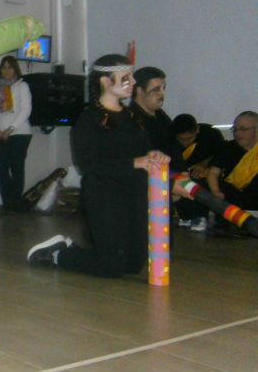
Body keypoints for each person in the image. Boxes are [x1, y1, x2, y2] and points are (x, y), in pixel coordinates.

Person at [27, 54, 189, 277]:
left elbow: (144, 150)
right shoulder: (89, 119)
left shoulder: (133, 116)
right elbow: (89, 164)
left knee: (133, 265)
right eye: (126, 77)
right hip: (105, 196)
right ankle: (58, 254)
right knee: (112, 267)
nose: (132, 82)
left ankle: (87, 251)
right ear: (105, 81)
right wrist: (135, 162)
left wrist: (154, 156)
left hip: (134, 194)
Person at [0, 55, 32, 213]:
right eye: (4, 67)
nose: (7, 70)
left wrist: (10, 129)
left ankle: (15, 204)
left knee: (17, 169)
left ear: (15, 69)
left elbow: (26, 110)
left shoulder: (22, 86)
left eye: (10, 67)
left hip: (20, 134)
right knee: (1, 170)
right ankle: (7, 204)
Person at [170, 114, 226, 231]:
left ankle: (199, 216)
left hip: (207, 172)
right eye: (181, 139)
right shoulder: (169, 140)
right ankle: (185, 216)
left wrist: (204, 164)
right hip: (183, 172)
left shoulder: (211, 134)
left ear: (197, 129)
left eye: (189, 139)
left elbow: (222, 154)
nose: (185, 143)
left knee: (201, 180)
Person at [207, 111, 258, 233]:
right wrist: (215, 191)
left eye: (243, 129)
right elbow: (213, 172)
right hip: (234, 197)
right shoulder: (228, 148)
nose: (238, 134)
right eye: (235, 129)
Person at [129, 66, 172, 156]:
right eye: (156, 89)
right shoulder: (130, 120)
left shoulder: (160, 115)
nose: (161, 94)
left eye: (163, 88)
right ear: (139, 90)